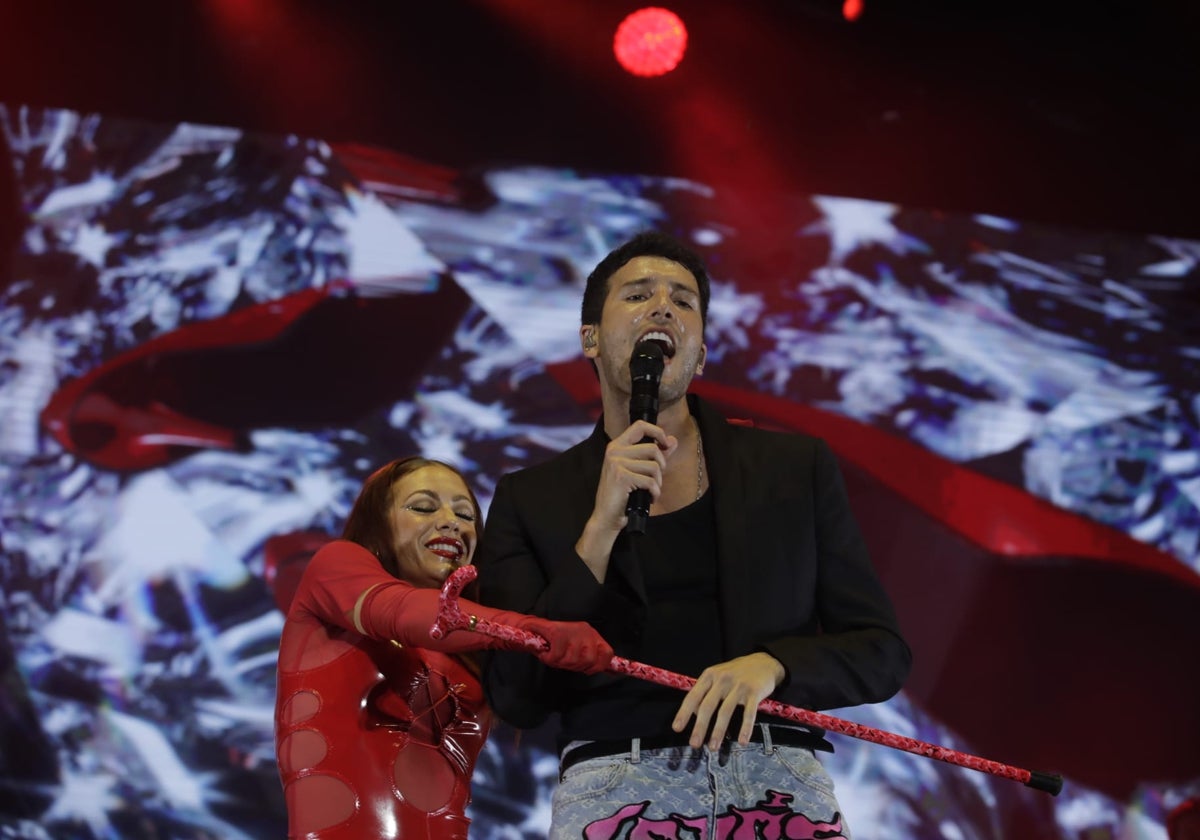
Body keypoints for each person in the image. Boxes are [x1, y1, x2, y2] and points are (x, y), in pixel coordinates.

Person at [476, 231, 912, 839]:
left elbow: (880, 652)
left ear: (700, 352)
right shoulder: (531, 498)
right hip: (614, 793)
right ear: (591, 340)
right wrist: (599, 529)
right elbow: (517, 694)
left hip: (774, 781)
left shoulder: (792, 470)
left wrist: (774, 665)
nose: (662, 307)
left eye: (683, 301)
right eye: (637, 295)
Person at [273, 456, 614, 839]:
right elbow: (403, 610)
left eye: (466, 515)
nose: (452, 521)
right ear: (377, 526)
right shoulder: (334, 566)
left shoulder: (482, 648)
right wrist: (528, 628)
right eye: (422, 506)